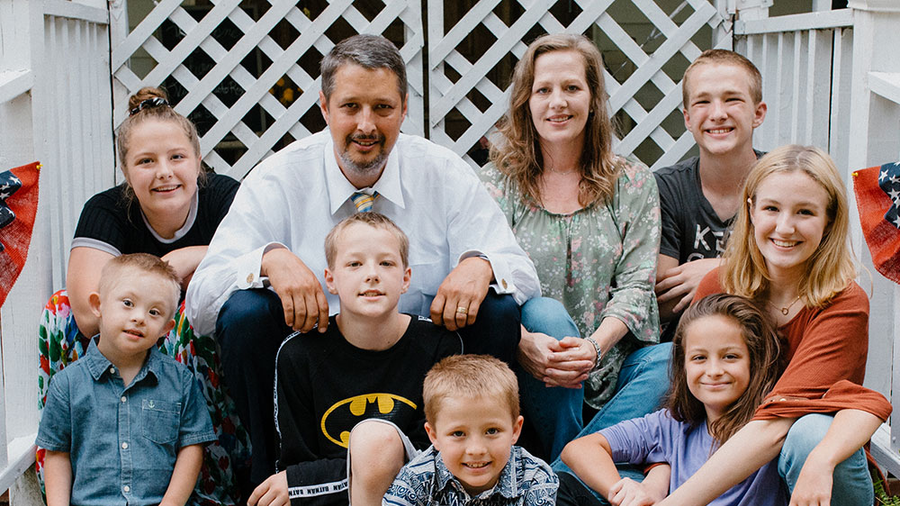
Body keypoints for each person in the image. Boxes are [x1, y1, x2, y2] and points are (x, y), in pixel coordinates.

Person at [185, 34, 540, 490]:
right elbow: (200, 305)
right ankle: (273, 476)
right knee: (246, 312)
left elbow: (522, 272)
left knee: (496, 308)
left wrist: (480, 264)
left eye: (383, 108)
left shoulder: (442, 172)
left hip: (419, 363)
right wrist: (268, 259)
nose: (366, 125)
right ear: (324, 107)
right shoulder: (280, 177)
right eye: (351, 106)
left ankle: (478, 476)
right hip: (312, 367)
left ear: (405, 108)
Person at [37, 87, 244, 504]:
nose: (164, 172)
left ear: (198, 161)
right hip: (124, 346)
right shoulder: (109, 208)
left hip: (198, 346)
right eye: (146, 161)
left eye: (176, 157)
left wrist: (188, 257)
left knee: (193, 309)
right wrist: (156, 284)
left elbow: (260, 258)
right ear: (126, 171)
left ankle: (210, 471)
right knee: (57, 309)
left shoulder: (224, 196)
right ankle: (89, 460)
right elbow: (85, 308)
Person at [657, 145, 892, 505]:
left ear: (829, 219)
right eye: (771, 208)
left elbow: (777, 426)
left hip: (810, 474)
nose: (785, 227)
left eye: (805, 212)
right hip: (730, 466)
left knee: (808, 434)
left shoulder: (844, 304)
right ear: (749, 209)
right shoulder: (717, 287)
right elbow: (685, 411)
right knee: (660, 364)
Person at [479, 33, 666, 460]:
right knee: (545, 312)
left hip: (612, 366)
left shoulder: (633, 182)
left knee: (672, 360)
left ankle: (566, 471)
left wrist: (595, 347)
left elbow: (638, 286)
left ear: (593, 98)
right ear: (526, 101)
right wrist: (523, 341)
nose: (557, 102)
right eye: (543, 90)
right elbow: (486, 283)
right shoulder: (497, 184)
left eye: (571, 88)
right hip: (531, 366)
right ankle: (583, 461)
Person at [249, 213, 462, 506]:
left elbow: (438, 453)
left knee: (377, 441)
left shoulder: (439, 346)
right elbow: (296, 463)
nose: (372, 274)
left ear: (405, 278)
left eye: (386, 263)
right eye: (355, 264)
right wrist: (304, 482)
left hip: (417, 495)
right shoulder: (298, 355)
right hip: (331, 499)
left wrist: (307, 482)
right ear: (331, 280)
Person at [559, 293, 789, 506]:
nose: (714, 370)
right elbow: (579, 448)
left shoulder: (768, 428)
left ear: (754, 362)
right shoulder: (674, 425)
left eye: (730, 357)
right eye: (699, 358)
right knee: (561, 487)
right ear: (684, 365)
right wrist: (622, 491)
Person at [36, 253, 217, 506]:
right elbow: (57, 453)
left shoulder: (180, 383)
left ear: (166, 328)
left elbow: (192, 448)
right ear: (98, 305)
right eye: (128, 303)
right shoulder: (67, 385)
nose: (139, 317)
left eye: (154, 312)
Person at [654, 49, 768, 339]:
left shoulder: (783, 182)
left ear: (758, 113)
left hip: (767, 342)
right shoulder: (666, 189)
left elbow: (803, 281)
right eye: (703, 102)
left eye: (732, 99)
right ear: (688, 118)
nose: (718, 114)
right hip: (684, 352)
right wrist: (760, 274)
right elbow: (663, 300)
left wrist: (720, 271)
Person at [383, 354, 558, 506]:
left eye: (491, 431)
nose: (476, 450)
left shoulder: (535, 478)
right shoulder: (416, 479)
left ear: (515, 430)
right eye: (458, 433)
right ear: (433, 436)